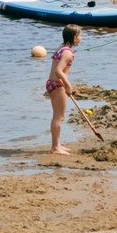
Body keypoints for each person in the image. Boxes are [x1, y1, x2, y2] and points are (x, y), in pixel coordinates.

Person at [46, 24, 81, 155]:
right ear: (74, 37)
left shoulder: (62, 48)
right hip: (57, 85)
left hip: (51, 83)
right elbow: (58, 71)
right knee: (59, 117)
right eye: (80, 36)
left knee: (58, 116)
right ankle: (55, 147)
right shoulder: (68, 53)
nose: (81, 39)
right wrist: (68, 85)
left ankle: (58, 144)